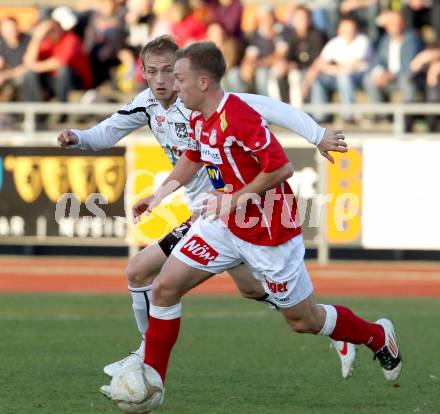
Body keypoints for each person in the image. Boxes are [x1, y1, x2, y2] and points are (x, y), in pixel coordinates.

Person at [107, 41, 402, 410]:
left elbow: (281, 168)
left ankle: (376, 335)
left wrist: (236, 197)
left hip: (269, 231)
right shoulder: (197, 115)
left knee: (303, 319)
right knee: (165, 288)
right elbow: (193, 157)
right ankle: (154, 385)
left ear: (203, 82)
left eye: (179, 78)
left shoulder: (240, 118)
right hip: (222, 223)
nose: (173, 85)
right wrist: (160, 194)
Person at [57, 35, 353, 380]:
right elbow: (107, 133)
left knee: (140, 270)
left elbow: (269, 107)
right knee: (251, 289)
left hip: (220, 209)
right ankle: (334, 329)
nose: (162, 80)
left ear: (185, 73)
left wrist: (317, 135)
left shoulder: (200, 99)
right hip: (211, 211)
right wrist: (78, 138)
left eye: (170, 71)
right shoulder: (147, 104)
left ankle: (145, 355)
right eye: (152, 72)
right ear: (143, 73)